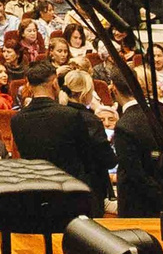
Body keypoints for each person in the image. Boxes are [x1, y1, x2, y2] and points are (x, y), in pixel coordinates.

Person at [8, 62, 112, 207]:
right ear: (55, 83)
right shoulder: (70, 115)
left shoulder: (17, 120)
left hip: (37, 195)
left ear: (29, 86)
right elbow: (86, 158)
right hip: (72, 195)